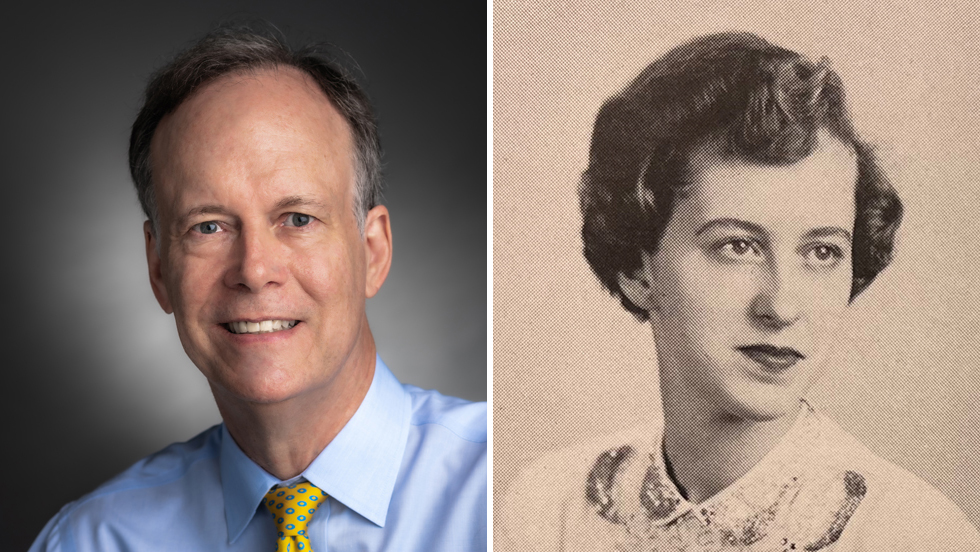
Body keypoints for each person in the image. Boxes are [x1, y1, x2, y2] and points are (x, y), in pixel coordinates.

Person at [501, 32, 979, 551]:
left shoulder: (917, 536)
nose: (781, 307)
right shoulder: (550, 512)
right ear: (639, 270)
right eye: (737, 246)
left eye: (822, 252)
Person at [29, 24, 486, 552]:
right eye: (208, 227)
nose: (254, 268)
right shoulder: (93, 541)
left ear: (373, 251)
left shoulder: (512, 494)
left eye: (297, 218)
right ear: (158, 269)